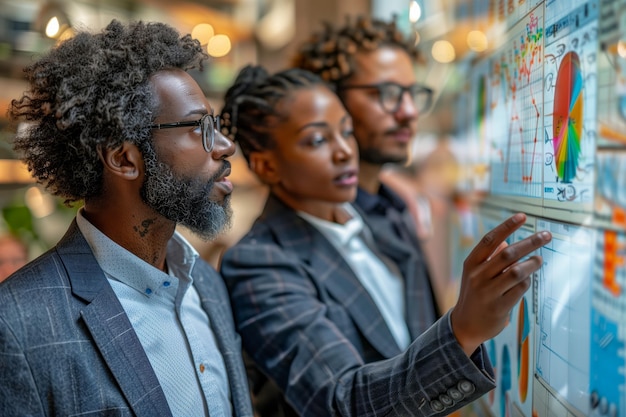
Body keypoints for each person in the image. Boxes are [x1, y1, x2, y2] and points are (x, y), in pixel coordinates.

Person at [219, 64, 552, 416]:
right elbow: (341, 401)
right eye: (318, 139)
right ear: (267, 166)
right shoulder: (259, 261)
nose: (344, 151)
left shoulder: (384, 217)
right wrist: (461, 332)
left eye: (346, 132)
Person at [0, 20, 253, 416]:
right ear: (123, 158)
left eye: (216, 125)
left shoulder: (204, 283)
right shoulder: (18, 324)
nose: (225, 146)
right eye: (199, 127)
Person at [292, 16, 445, 315]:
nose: (409, 112)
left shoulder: (395, 206)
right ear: (329, 99)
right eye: (386, 94)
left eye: (412, 94)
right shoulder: (318, 222)